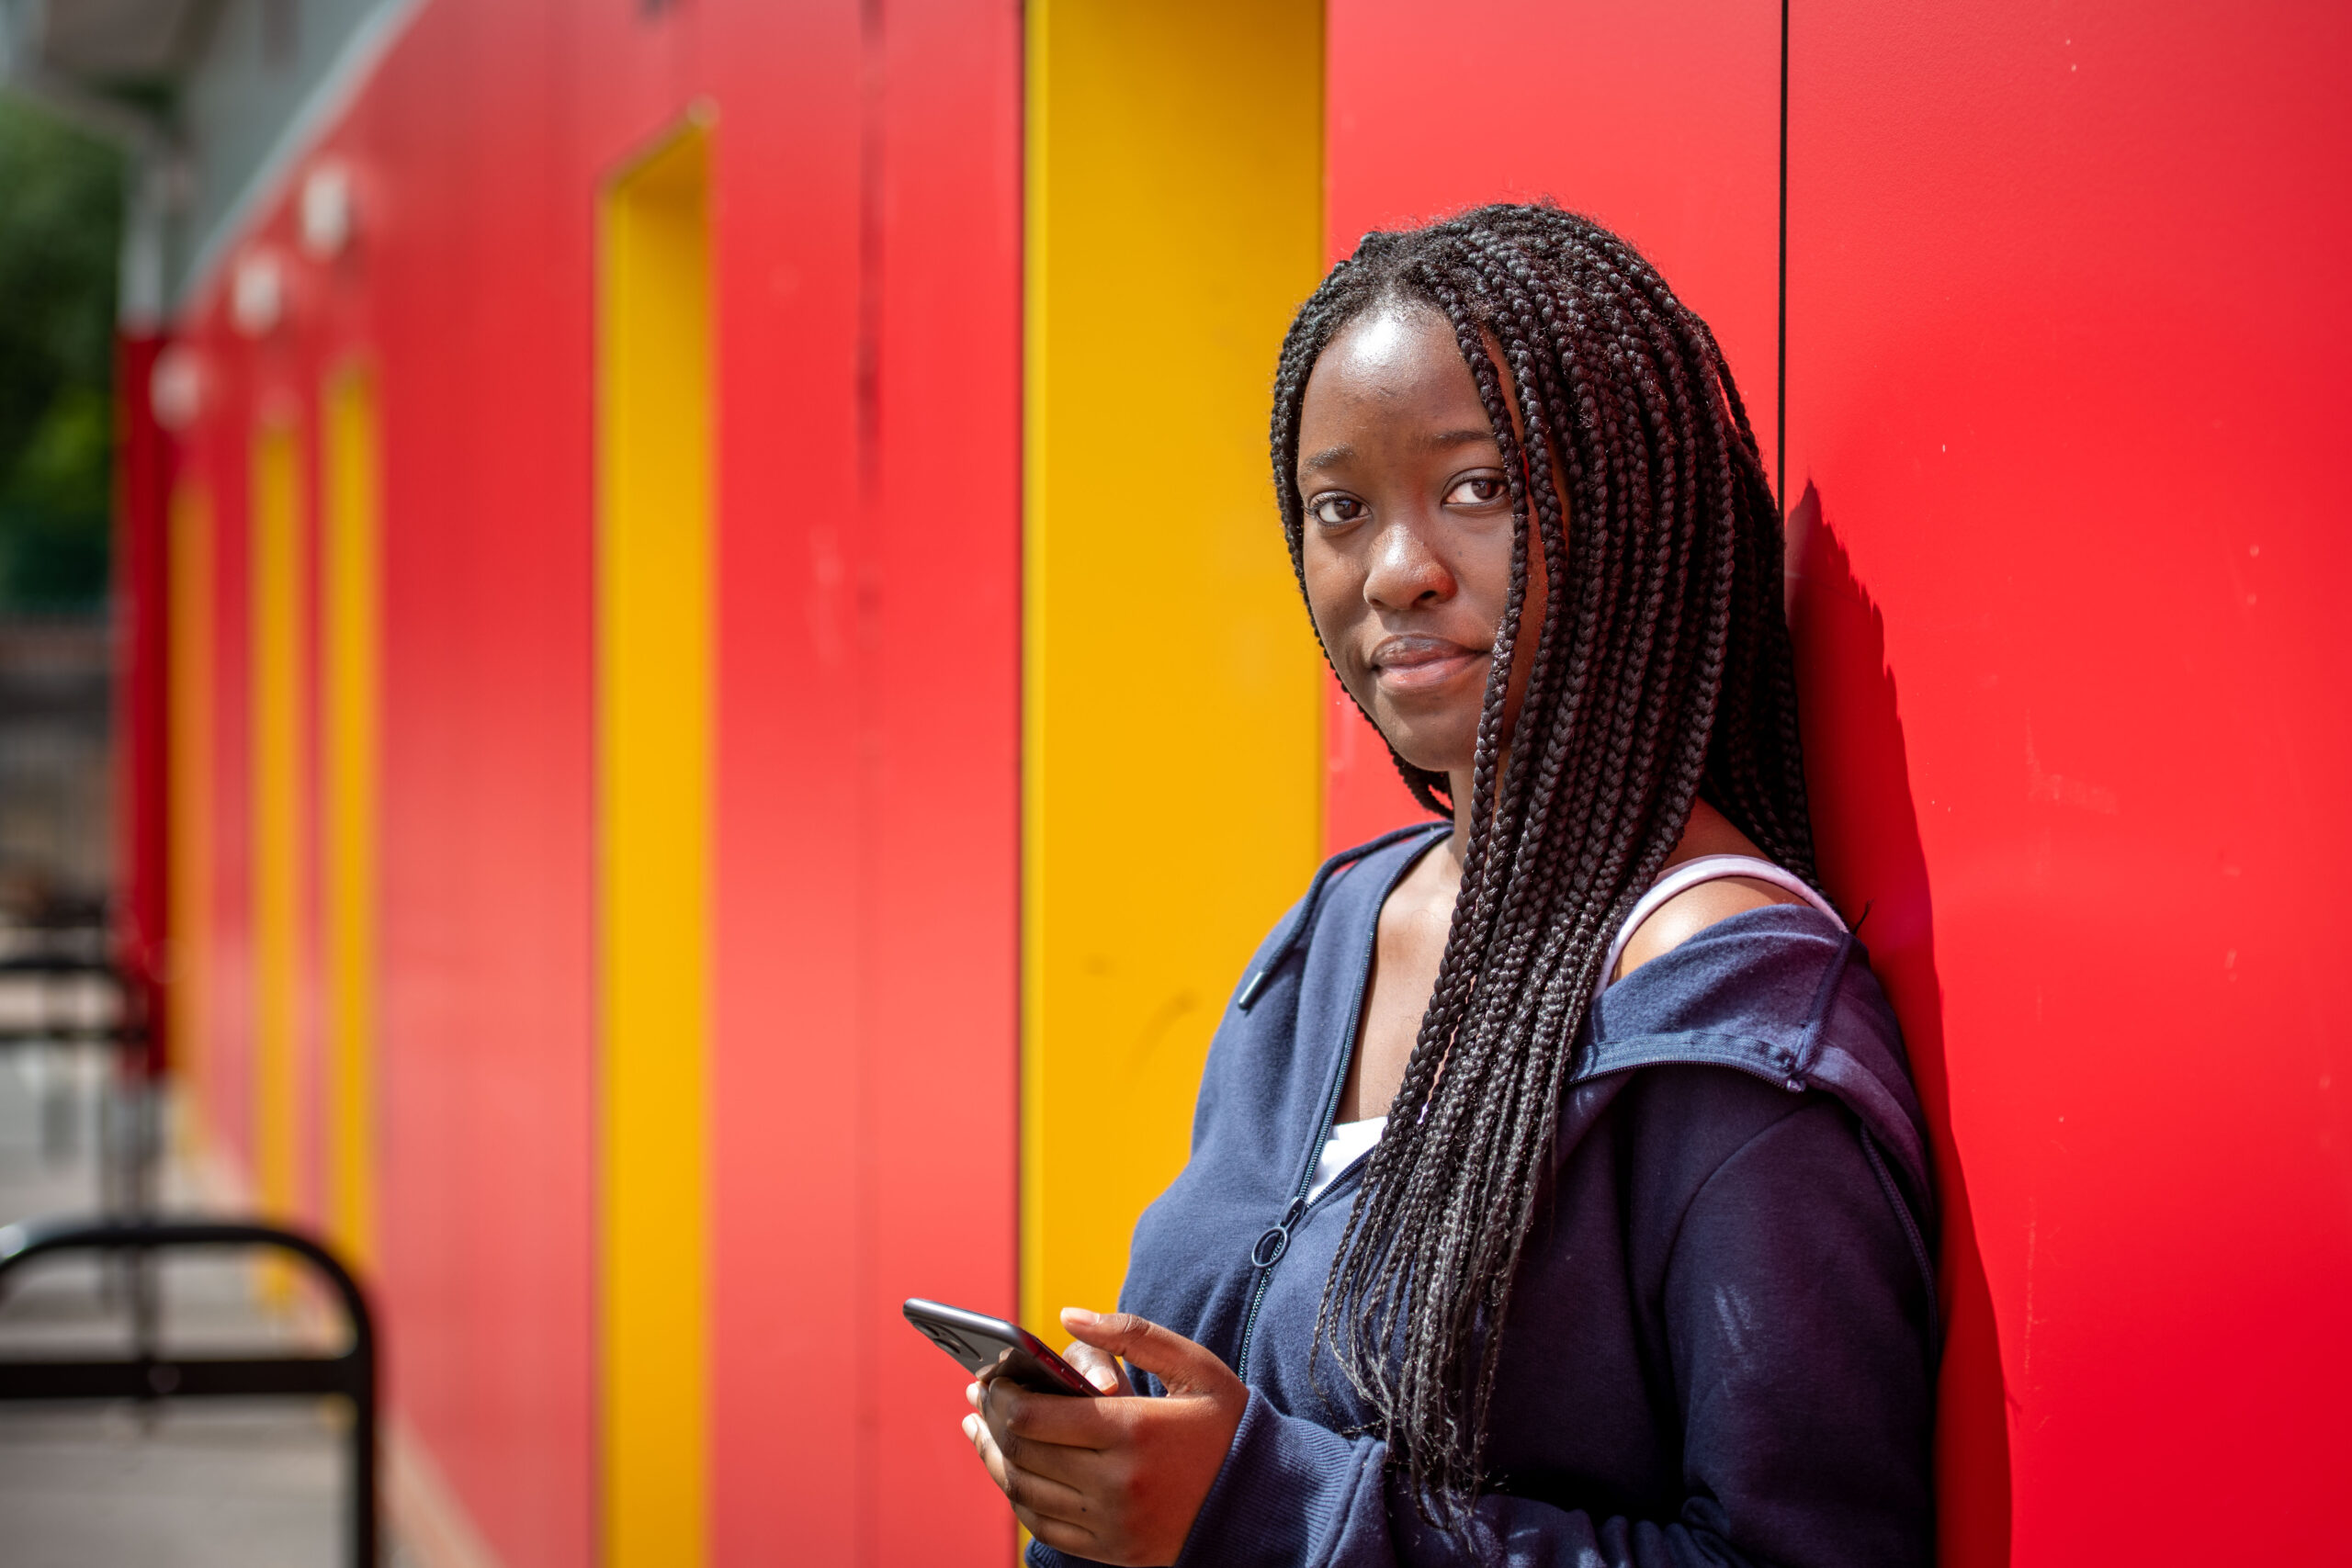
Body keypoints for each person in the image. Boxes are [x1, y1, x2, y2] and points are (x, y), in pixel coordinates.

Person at [962, 204, 1938, 1568]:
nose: (1398, 574)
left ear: (1630, 509)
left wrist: (1256, 1508)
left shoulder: (1730, 1026)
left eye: (1478, 488)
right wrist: (1104, 1471)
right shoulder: (1332, 940)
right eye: (1340, 509)